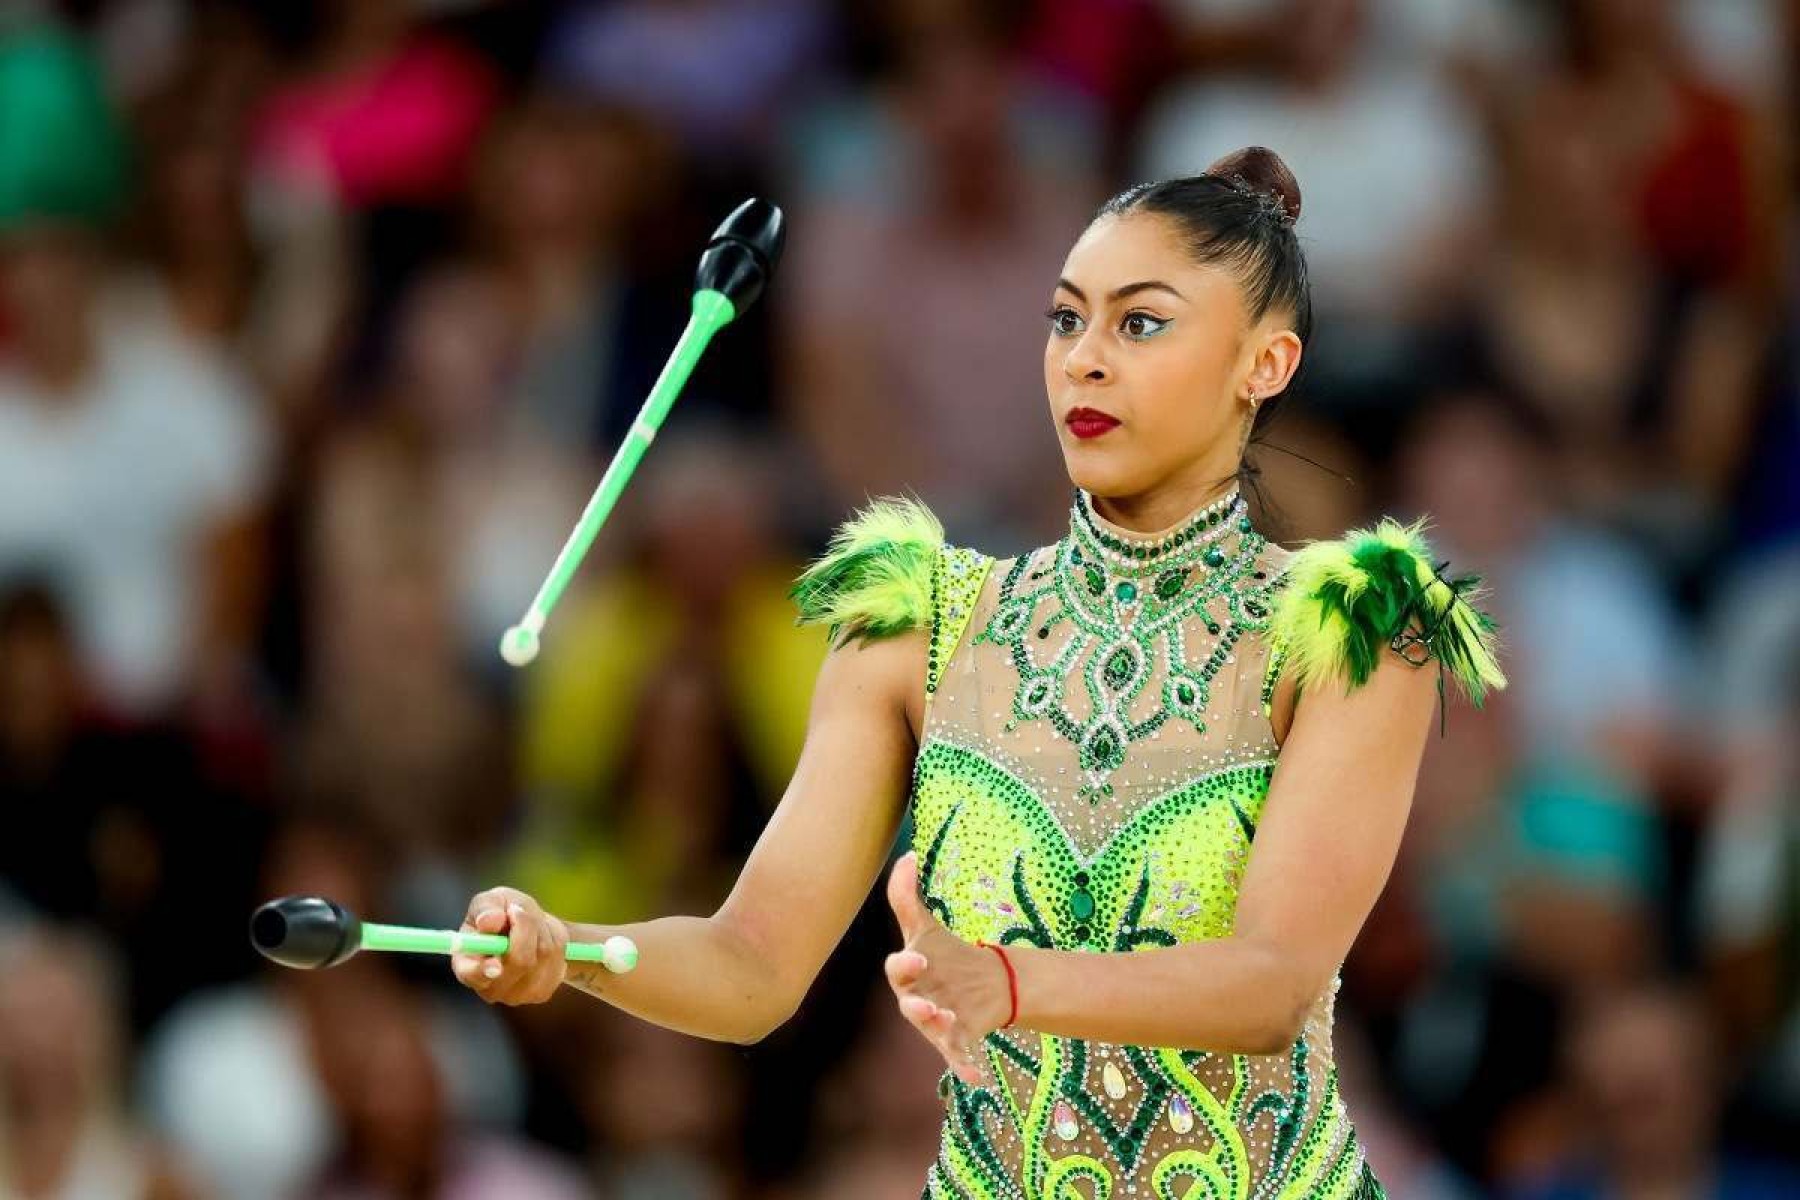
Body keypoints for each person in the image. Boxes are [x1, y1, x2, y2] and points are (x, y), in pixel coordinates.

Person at [450, 146, 1508, 1198]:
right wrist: (571, 951)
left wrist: (1002, 980)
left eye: (1141, 323)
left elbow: (1271, 984)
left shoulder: (1350, 633)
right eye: (1066, 318)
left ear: (1264, 366)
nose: (1085, 359)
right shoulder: (920, 628)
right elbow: (753, 966)